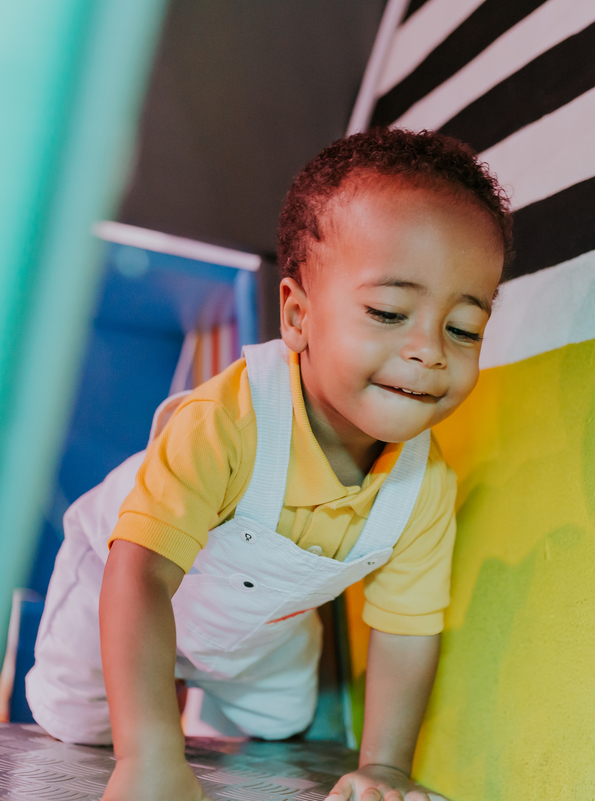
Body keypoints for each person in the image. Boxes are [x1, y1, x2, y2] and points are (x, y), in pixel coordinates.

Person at [25, 127, 511, 801]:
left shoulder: (423, 487)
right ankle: (152, 695)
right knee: (75, 718)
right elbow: (142, 574)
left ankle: (190, 687)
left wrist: (387, 765)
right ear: (297, 316)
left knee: (282, 723)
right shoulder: (229, 421)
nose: (429, 349)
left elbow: (405, 633)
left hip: (261, 631)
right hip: (129, 578)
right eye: (390, 311)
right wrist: (153, 755)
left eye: (463, 327)